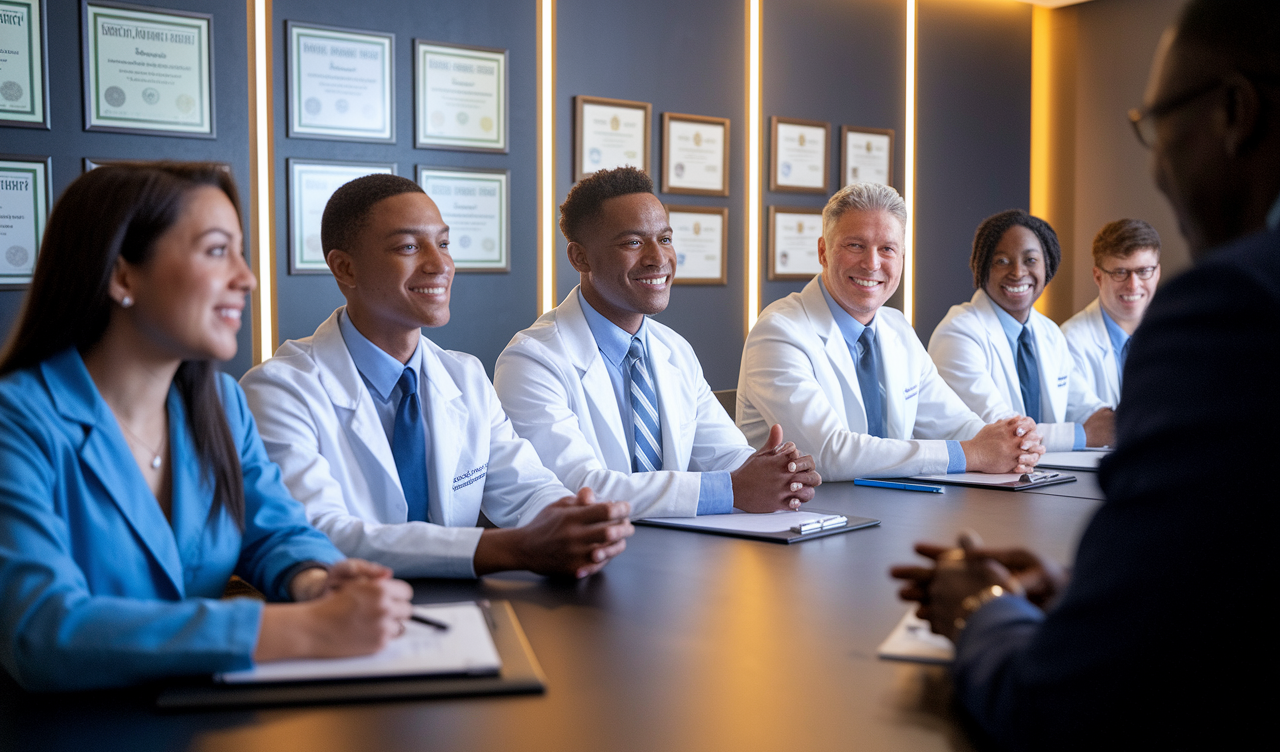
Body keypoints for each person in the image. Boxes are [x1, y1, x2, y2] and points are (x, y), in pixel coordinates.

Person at [891, 0, 1280, 752]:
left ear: (1234, 112)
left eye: (1152, 122)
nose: (1157, 160)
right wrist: (1092, 598)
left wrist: (981, 609)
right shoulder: (962, 332)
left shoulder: (1233, 309)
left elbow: (1065, 714)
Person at [0, 163, 413, 692]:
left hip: (190, 729)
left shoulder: (219, 402)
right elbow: (41, 630)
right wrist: (303, 628)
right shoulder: (18, 420)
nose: (247, 278)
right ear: (123, 275)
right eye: (218, 251)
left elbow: (275, 533)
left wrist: (316, 580)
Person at [240, 175, 632, 579]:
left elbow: (526, 487)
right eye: (409, 247)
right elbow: (317, 534)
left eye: (443, 244)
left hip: (463, 610)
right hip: (348, 618)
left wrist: (574, 518)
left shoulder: (465, 376)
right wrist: (512, 548)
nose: (439, 264)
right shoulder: (277, 390)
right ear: (345, 267)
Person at [494, 167, 820, 519]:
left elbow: (724, 455)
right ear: (580, 257)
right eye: (633, 242)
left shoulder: (673, 349)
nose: (657, 258)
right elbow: (578, 488)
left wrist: (779, 473)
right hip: (592, 560)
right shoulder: (531, 361)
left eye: (664, 239)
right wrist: (732, 489)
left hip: (674, 553)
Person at [736, 182, 1044, 481]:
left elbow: (953, 424)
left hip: (890, 509)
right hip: (804, 518)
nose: (872, 264)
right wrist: (972, 454)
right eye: (855, 245)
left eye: (887, 249)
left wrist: (1015, 442)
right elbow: (827, 454)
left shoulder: (897, 327)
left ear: (902, 258)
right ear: (823, 252)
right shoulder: (778, 332)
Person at [927, 210, 1114, 452]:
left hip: (1043, 475)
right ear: (983, 268)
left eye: (1030, 260)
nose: (1017, 272)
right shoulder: (957, 333)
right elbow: (1003, 429)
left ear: (1048, 266)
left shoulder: (1049, 332)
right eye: (1002, 261)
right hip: (982, 483)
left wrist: (1118, 420)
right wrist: (1084, 434)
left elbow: (1084, 406)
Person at [1061, 219, 1162, 406]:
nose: (1133, 285)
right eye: (1120, 272)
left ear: (1157, 274)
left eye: (1143, 271)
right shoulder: (1069, 343)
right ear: (1098, 277)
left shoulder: (1175, 334)